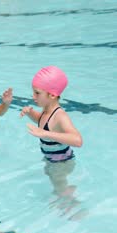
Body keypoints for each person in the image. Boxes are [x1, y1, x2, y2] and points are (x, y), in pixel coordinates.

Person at [20, 66, 83, 219]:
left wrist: (46, 133)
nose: (33, 97)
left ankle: (74, 210)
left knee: (59, 185)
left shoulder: (60, 115)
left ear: (53, 95)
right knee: (52, 178)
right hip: (53, 159)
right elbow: (42, 121)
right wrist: (30, 114)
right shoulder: (46, 110)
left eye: (37, 93)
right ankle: (65, 193)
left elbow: (77, 140)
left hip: (61, 162)